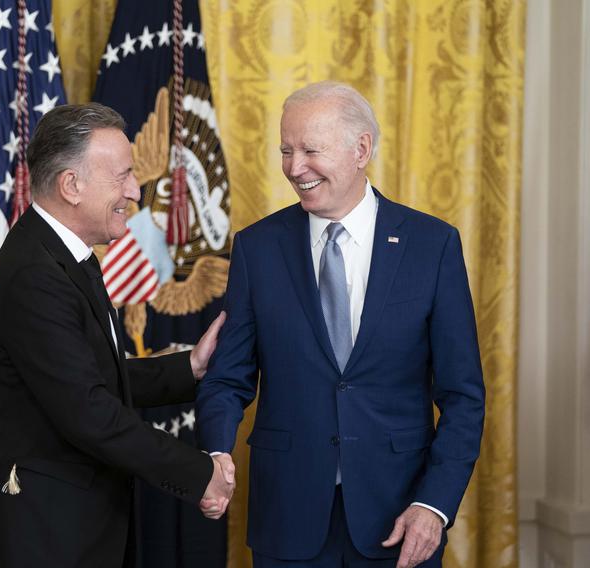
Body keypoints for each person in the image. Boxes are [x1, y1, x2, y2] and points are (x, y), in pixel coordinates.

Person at [195, 81, 485, 568]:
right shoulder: (257, 248)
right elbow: (227, 377)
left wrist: (434, 504)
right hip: (288, 516)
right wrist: (216, 450)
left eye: (310, 150)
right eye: (286, 150)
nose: (294, 167)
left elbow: (463, 396)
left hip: (400, 515)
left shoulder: (432, 246)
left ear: (361, 149)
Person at [0, 102, 232, 568]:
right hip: (42, 538)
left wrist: (190, 367)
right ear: (72, 186)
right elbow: (89, 412)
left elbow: (88, 376)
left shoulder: (63, 255)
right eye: (122, 176)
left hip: (72, 527)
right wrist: (199, 473)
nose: (135, 190)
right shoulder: (36, 274)